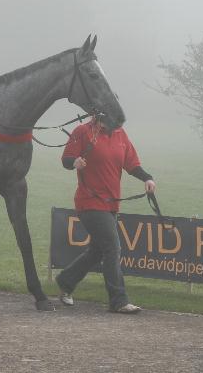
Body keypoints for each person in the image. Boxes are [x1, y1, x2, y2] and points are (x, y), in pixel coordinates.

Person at [55, 114, 155, 313]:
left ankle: (66, 281)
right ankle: (119, 301)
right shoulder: (83, 131)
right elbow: (66, 159)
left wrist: (147, 178)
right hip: (89, 202)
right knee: (112, 247)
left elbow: (131, 163)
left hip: (110, 205)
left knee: (97, 251)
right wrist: (75, 162)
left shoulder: (120, 134)